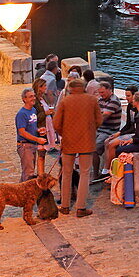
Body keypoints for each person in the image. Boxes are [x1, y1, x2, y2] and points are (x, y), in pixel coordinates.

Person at [51, 78, 102, 217]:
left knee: (66, 173)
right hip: (87, 141)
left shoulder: (65, 102)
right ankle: (81, 207)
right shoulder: (92, 100)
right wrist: (90, 131)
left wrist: (64, 133)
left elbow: (56, 124)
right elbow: (99, 120)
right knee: (85, 173)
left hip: (68, 141)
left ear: (70, 88)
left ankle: (65, 206)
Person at [108, 92, 139, 157]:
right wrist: (129, 141)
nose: (132, 101)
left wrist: (130, 141)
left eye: (133, 100)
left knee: (119, 150)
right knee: (121, 146)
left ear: (137, 102)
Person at [15, 88, 47, 182]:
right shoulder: (21, 114)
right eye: (30, 97)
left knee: (28, 172)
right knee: (29, 173)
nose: (33, 98)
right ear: (24, 99)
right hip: (25, 146)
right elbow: (22, 132)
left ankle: (19, 193)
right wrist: (37, 139)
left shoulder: (33, 110)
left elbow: (32, 127)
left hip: (32, 145)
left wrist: (39, 130)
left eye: (34, 96)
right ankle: (26, 194)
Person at [94, 81, 123, 180]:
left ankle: (97, 174)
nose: (101, 95)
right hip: (100, 129)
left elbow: (104, 116)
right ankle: (94, 171)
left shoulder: (113, 101)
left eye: (103, 92)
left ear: (109, 90)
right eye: (100, 93)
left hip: (110, 130)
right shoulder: (101, 100)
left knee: (95, 148)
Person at [31, 77, 56, 174]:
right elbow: (35, 116)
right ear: (39, 87)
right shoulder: (35, 101)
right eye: (44, 86)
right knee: (41, 152)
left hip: (47, 126)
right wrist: (45, 113)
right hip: (41, 128)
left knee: (43, 152)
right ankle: (40, 174)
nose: (46, 87)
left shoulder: (43, 98)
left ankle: (41, 173)